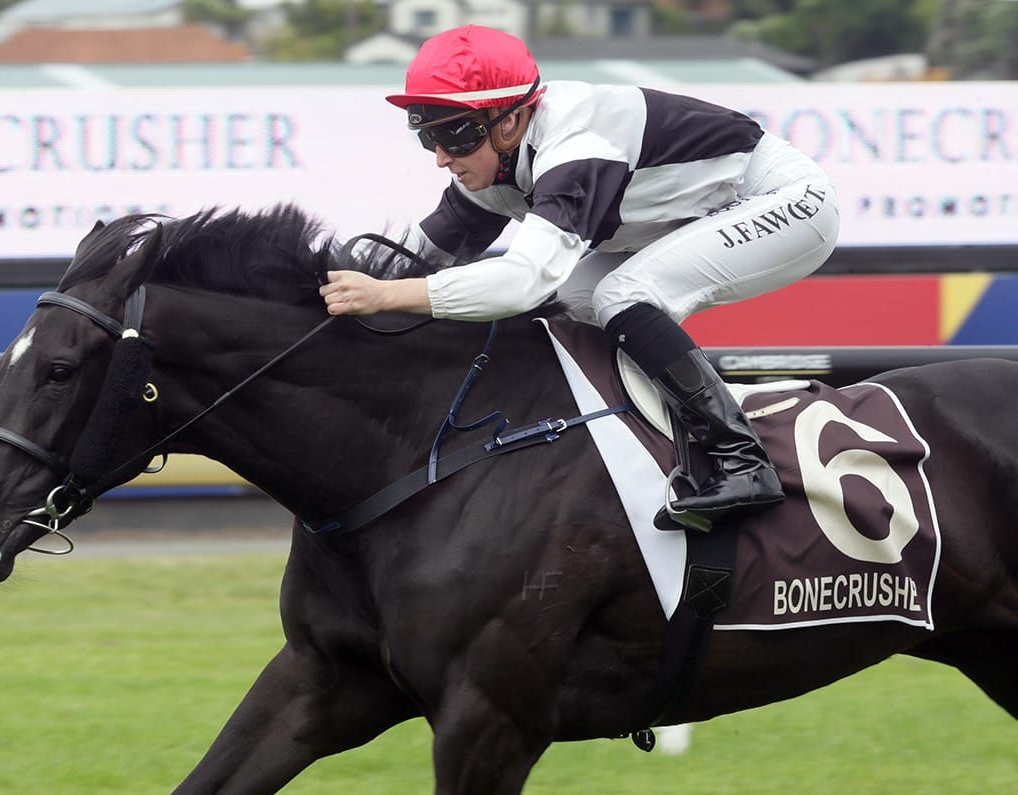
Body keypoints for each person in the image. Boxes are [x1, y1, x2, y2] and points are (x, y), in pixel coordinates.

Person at [319, 24, 840, 532]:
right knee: (572, 301)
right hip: (696, 211)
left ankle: (742, 462)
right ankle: (633, 447)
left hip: (787, 201)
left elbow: (520, 282)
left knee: (622, 293)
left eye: (454, 133)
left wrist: (387, 295)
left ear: (513, 119)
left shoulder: (575, 146)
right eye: (428, 134)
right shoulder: (490, 162)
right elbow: (413, 255)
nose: (440, 157)